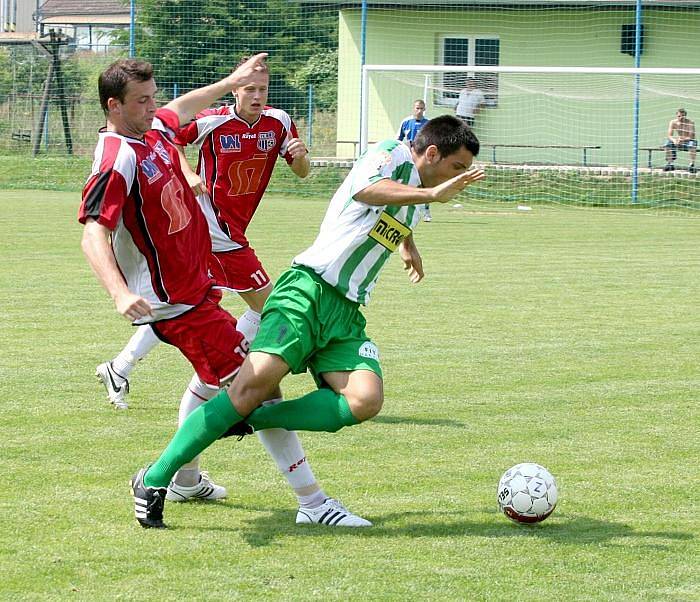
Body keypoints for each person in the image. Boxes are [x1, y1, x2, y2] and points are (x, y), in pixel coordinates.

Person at [131, 115, 486, 529]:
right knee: (248, 388)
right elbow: (366, 191)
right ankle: (154, 479)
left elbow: (396, 217)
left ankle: (250, 421)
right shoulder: (388, 154)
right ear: (431, 153)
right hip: (307, 291)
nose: (458, 178)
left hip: (346, 312)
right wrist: (433, 191)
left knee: (364, 401)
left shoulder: (420, 195)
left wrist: (408, 245)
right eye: (457, 167)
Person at [80, 56, 369, 527]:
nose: (154, 108)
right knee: (260, 388)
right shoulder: (118, 157)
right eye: (142, 102)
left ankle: (184, 479)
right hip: (178, 303)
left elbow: (181, 106)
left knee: (223, 383)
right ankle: (312, 503)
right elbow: (93, 232)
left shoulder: (152, 132)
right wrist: (117, 292)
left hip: (198, 288)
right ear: (113, 106)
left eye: (153, 98)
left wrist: (231, 81)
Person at [95, 59, 309, 410]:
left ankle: (123, 367)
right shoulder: (213, 119)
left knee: (182, 307)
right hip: (214, 229)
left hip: (230, 229)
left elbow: (301, 172)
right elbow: (166, 136)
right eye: (249, 89)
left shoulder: (280, 121)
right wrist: (187, 172)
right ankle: (234, 369)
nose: (256, 96)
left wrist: (301, 158)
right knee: (270, 307)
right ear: (235, 90)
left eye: (262, 90)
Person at [397, 99, 432, 222]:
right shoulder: (406, 122)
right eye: (417, 108)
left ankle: (426, 211)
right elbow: (398, 140)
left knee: (423, 183)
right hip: (408, 157)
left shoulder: (428, 124)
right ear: (413, 108)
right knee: (406, 182)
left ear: (424, 109)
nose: (419, 111)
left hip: (422, 159)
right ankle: (403, 210)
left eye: (422, 108)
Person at [663, 108, 696, 173]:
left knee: (692, 145)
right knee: (667, 144)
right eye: (679, 116)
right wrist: (674, 140)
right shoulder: (673, 122)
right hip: (678, 140)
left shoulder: (690, 122)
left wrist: (682, 139)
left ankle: (691, 165)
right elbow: (669, 135)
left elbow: (692, 136)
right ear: (676, 116)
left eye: (683, 116)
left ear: (685, 116)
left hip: (688, 140)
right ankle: (670, 164)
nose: (681, 118)